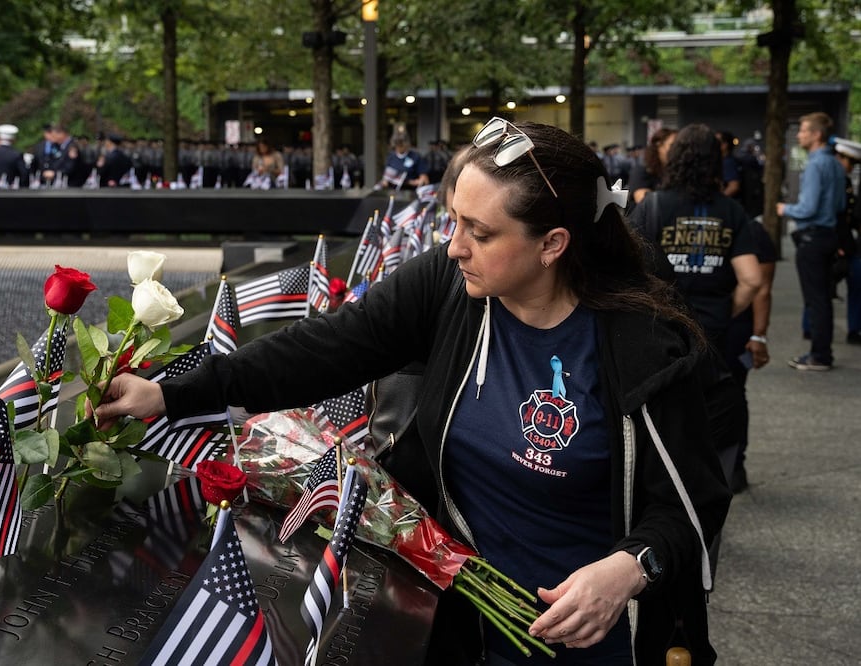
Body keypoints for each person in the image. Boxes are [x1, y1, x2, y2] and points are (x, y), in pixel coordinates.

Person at [94, 121, 731, 665]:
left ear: (552, 245)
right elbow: (324, 348)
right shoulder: (450, 287)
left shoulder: (643, 346)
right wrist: (169, 391)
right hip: (447, 626)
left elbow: (689, 506)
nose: (453, 247)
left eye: (479, 233)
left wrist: (626, 569)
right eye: (454, 220)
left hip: (585, 642)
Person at [631, 123, 762, 357]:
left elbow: (628, 268)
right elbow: (751, 279)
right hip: (713, 328)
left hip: (661, 324)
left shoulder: (653, 206)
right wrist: (724, 310)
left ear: (674, 157)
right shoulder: (731, 210)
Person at [777, 112, 847, 371]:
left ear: (817, 134)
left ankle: (819, 355)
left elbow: (807, 207)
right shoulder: (835, 164)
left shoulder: (817, 165)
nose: (799, 134)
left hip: (813, 238)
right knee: (823, 298)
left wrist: (785, 209)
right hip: (827, 235)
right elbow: (839, 204)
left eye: (804, 130)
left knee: (815, 299)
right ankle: (821, 352)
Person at [723, 218, 777, 493]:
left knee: (731, 394)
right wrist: (758, 336)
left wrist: (757, 335)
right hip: (732, 325)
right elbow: (762, 287)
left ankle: (733, 467)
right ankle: (734, 467)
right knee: (733, 394)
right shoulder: (750, 227)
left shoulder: (752, 230)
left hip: (729, 326)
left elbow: (761, 287)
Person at [832, 137, 861, 344]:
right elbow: (840, 216)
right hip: (839, 241)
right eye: (850, 162)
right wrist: (841, 244)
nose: (851, 168)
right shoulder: (837, 180)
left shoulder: (844, 180)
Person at [627, 127, 676, 205]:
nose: (677, 149)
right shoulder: (641, 170)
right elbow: (642, 199)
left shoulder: (677, 170)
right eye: (672, 145)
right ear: (658, 145)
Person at [716, 131, 741, 199]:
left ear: (725, 145)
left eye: (716, 142)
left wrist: (719, 201)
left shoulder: (728, 162)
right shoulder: (725, 161)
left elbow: (733, 186)